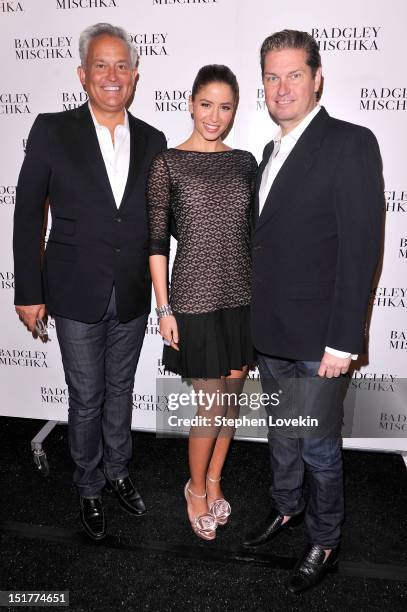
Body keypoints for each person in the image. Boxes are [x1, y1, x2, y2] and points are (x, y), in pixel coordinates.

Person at [13, 22, 166, 541]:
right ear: (82, 74)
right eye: (100, 65)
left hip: (130, 291)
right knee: (86, 395)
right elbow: (27, 214)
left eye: (121, 65)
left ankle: (118, 471)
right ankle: (89, 486)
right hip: (74, 289)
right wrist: (28, 292)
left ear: (136, 75)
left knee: (120, 388)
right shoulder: (52, 129)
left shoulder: (153, 139)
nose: (111, 74)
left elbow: (155, 222)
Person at [244, 30, 383, 593]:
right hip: (271, 333)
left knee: (320, 450)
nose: (282, 87)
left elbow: (361, 248)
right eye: (272, 77)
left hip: (320, 340)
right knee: (282, 434)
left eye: (294, 74)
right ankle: (286, 508)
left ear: (317, 77)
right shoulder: (267, 153)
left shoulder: (350, 142)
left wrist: (344, 340)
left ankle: (324, 538)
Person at [147, 65, 257, 540]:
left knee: (230, 403)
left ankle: (214, 479)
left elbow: (256, 237)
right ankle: (194, 489)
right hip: (192, 299)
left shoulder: (246, 162)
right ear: (191, 103)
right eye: (207, 104)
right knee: (208, 405)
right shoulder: (167, 164)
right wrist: (164, 309)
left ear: (235, 110)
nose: (215, 116)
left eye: (226, 106)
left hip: (242, 296)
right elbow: (156, 244)